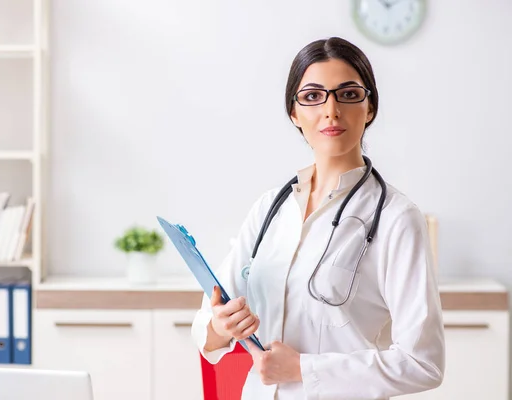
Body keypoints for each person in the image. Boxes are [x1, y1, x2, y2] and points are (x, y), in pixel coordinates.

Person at [190, 36, 445, 400]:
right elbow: (210, 324)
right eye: (312, 96)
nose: (330, 110)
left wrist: (303, 370)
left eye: (348, 94)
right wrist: (221, 326)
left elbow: (424, 363)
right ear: (294, 113)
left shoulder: (396, 218)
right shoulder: (270, 208)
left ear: (369, 107)